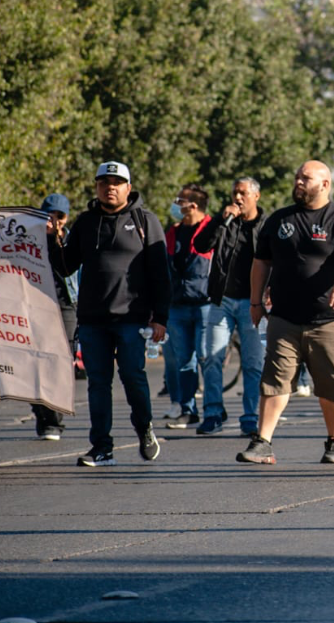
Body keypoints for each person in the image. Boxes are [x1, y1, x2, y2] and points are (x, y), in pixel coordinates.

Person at [237, 160, 334, 466]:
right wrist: (255, 302)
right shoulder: (280, 219)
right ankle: (263, 442)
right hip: (284, 318)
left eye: (306, 178)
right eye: (297, 177)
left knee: (332, 383)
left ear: (324, 184)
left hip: (330, 321)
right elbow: (261, 262)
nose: (298, 182)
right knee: (274, 379)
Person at [47, 161, 170, 467]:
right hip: (92, 319)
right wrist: (53, 239)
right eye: (104, 182)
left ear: (128, 187)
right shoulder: (87, 222)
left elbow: (160, 273)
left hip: (131, 317)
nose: (110, 187)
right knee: (98, 383)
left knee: (132, 377)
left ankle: (144, 428)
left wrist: (161, 317)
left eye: (117, 182)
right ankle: (102, 447)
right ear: (97, 187)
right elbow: (66, 266)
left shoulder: (145, 220)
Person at [194, 177, 268, 437]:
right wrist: (219, 220)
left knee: (252, 362)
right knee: (212, 357)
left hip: (253, 303)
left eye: (243, 193)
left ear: (256, 196)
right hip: (221, 301)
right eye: (235, 193)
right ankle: (213, 413)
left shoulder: (266, 226)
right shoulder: (225, 222)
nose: (237, 198)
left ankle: (251, 416)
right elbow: (201, 245)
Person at [162, 183, 214, 431]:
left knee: (206, 357)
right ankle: (187, 410)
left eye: (179, 201)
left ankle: (214, 410)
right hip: (177, 306)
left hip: (205, 305)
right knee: (183, 360)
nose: (175, 205)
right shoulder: (172, 231)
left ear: (193, 205)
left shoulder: (211, 229)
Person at [32, 194, 78, 441]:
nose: (54, 220)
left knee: (61, 363)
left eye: (59, 216)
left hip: (65, 307)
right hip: (34, 306)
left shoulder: (72, 239)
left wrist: (58, 238)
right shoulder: (28, 240)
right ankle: (42, 412)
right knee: (36, 363)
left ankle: (54, 421)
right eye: (49, 215)